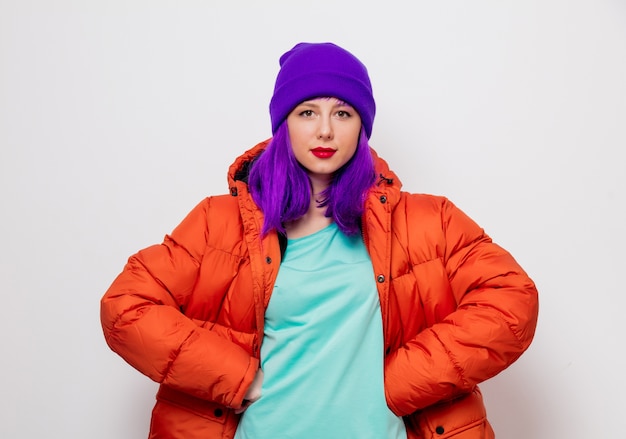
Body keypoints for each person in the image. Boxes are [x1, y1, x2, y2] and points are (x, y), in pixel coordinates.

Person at [100, 42, 539, 439]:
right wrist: (236, 376)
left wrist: (403, 380)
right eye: (307, 112)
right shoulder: (220, 222)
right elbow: (126, 308)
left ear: (361, 126)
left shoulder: (426, 221)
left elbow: (512, 299)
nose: (325, 130)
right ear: (284, 124)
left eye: (343, 113)